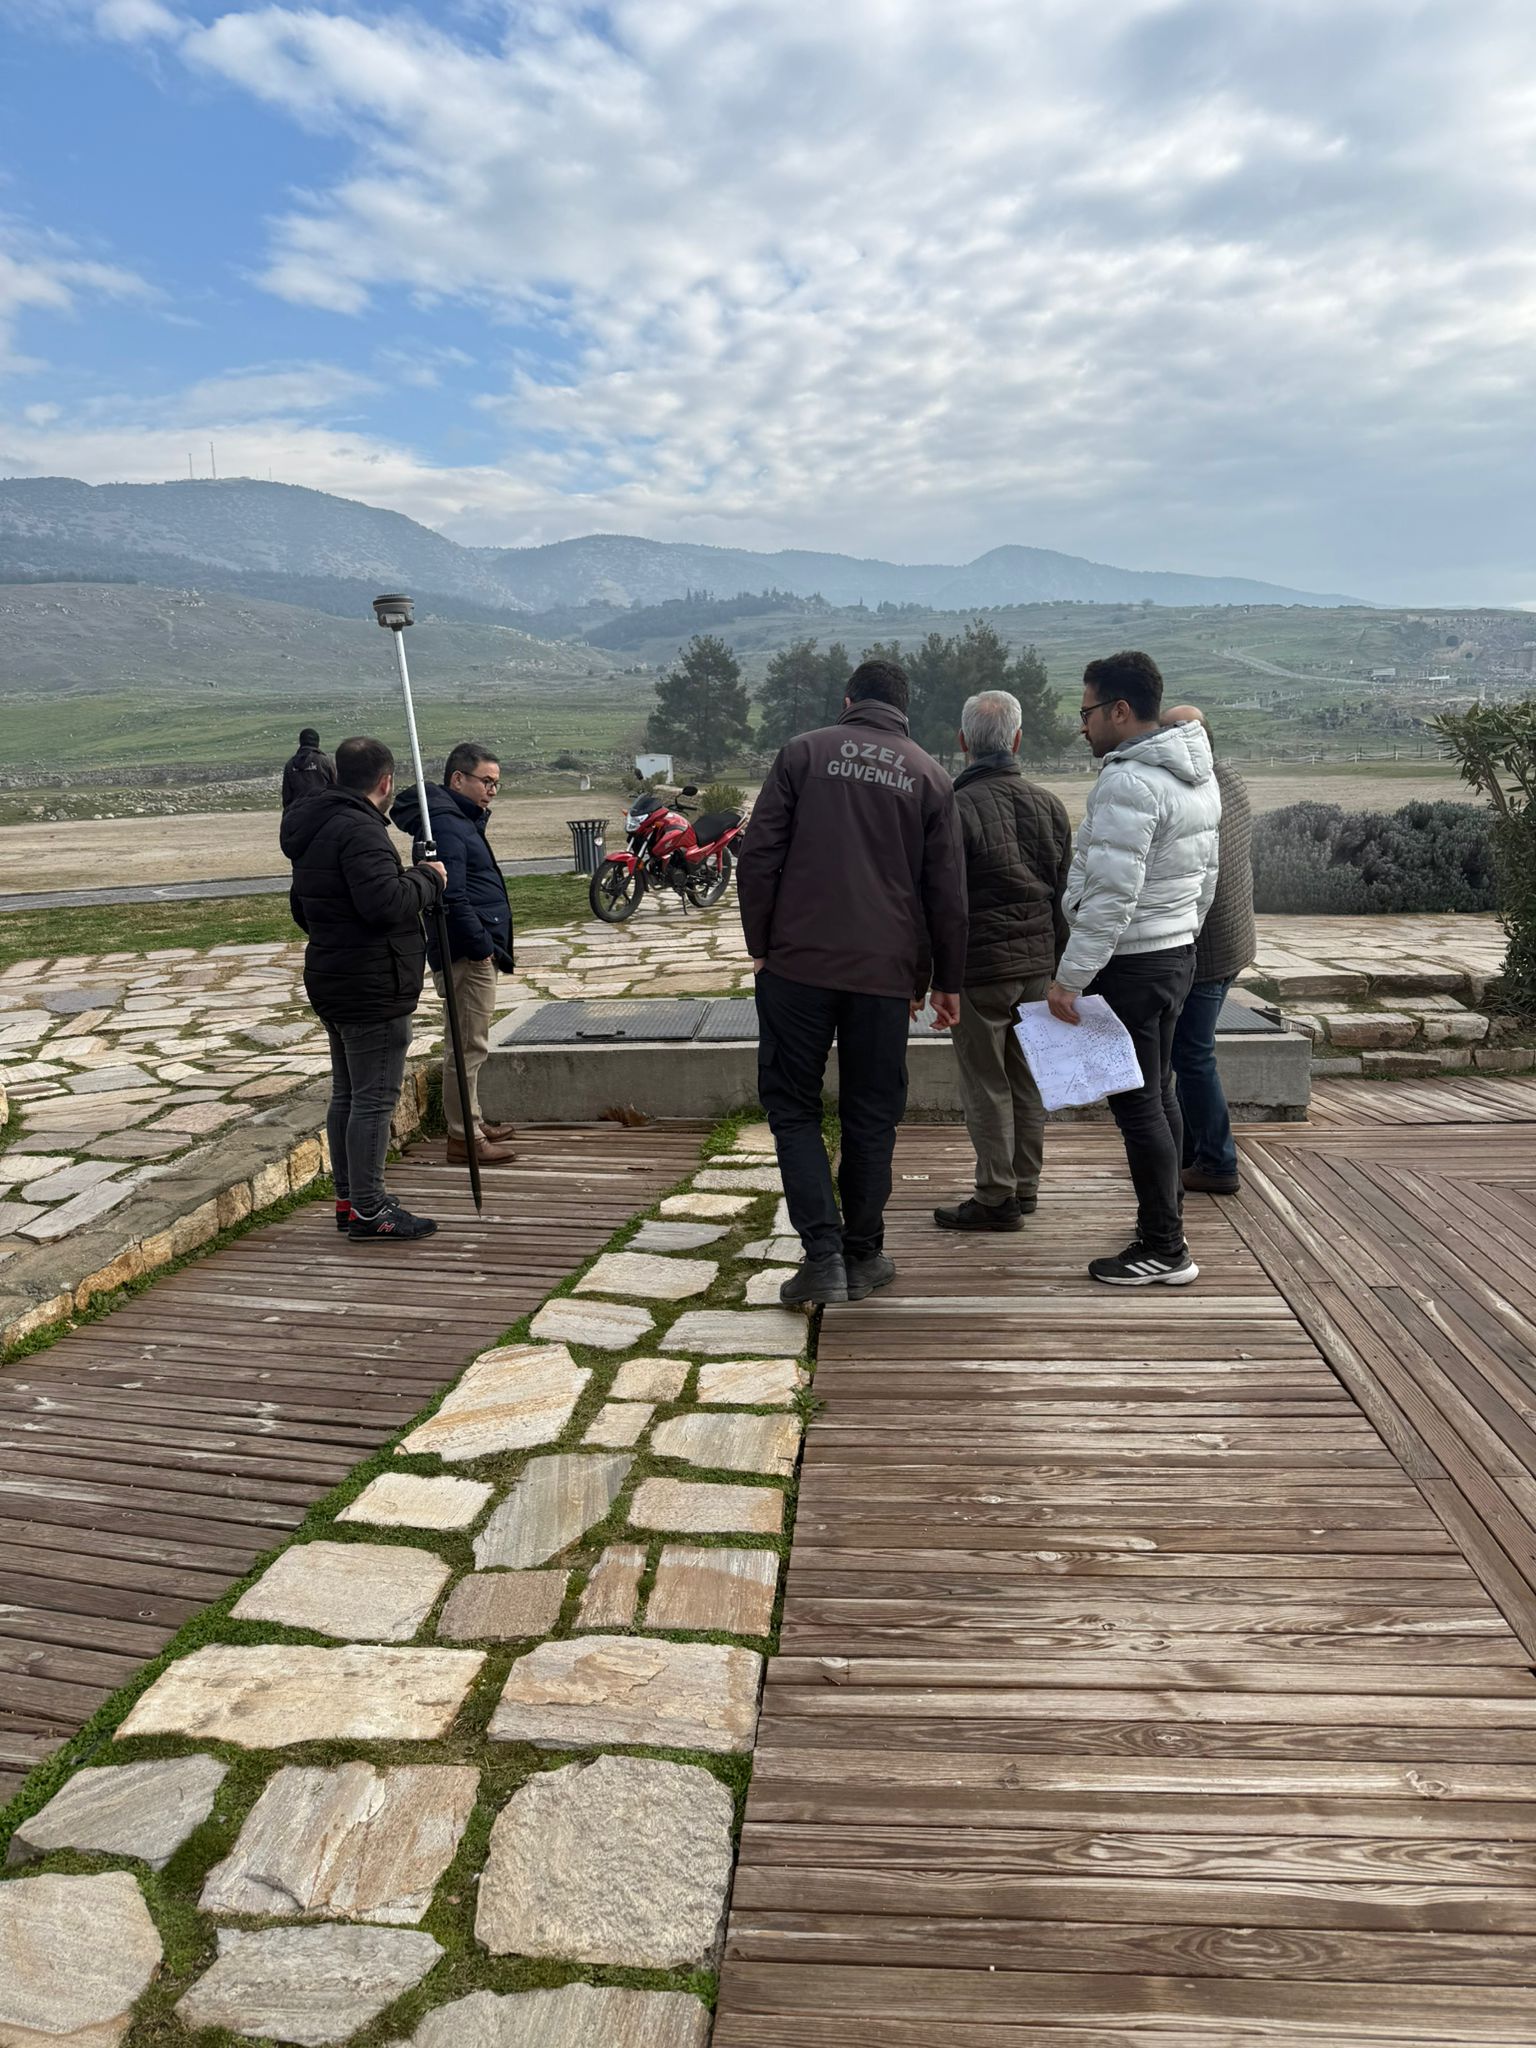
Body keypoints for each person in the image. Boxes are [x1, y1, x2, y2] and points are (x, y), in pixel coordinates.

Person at [737, 656, 968, 1307]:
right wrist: (945, 979)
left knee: (793, 1107)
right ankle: (864, 1254)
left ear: (848, 700)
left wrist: (761, 945)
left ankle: (822, 1257)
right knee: (872, 1115)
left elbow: (758, 857)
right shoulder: (929, 775)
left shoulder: (803, 754)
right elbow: (945, 893)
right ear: (903, 708)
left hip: (797, 966)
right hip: (885, 978)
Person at [1046, 651, 1220, 1286]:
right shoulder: (1195, 774)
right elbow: (1207, 877)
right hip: (1174, 954)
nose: (1083, 725)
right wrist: (1185, 935)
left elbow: (1111, 896)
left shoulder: (1129, 781)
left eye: (1087, 711)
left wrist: (1070, 979)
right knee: (1160, 1093)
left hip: (1133, 963)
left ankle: (1166, 1249)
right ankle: (1162, 1221)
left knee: (1138, 1104)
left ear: (1121, 710)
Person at [281, 736, 446, 1241]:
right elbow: (382, 902)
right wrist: (426, 878)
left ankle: (350, 1199)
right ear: (386, 782)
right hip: (372, 982)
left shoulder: (317, 827)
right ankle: (371, 1209)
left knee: (348, 1094)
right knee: (374, 1098)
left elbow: (302, 908)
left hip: (333, 974)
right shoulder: (361, 831)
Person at [935, 688, 1072, 1233]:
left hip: (979, 970)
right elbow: (1065, 893)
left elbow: (942, 900)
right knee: (1027, 1079)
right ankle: (1026, 1184)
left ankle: (995, 1196)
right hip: (1039, 964)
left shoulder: (953, 807)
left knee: (985, 1083)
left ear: (963, 742)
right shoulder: (1049, 804)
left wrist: (932, 973)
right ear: (1016, 740)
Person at [390, 742, 518, 1167]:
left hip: (475, 949)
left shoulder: (457, 819)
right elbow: (451, 895)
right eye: (486, 781)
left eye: (497, 784)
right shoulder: (445, 825)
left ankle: (473, 1122)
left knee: (470, 1044)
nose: (492, 791)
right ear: (458, 779)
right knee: (466, 1046)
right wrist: (482, 948)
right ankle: (464, 1137)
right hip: (467, 952)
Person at [1163, 704, 1254, 1196]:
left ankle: (1218, 1163)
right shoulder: (1230, 778)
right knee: (1191, 1053)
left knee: (1192, 1055)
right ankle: (1191, 1154)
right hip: (1234, 941)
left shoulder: (1199, 792)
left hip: (1207, 948)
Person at [281, 727, 335, 809]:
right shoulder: (325, 761)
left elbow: (286, 797)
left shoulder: (290, 764)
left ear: (301, 742)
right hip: (323, 810)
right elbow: (337, 788)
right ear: (317, 743)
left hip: (298, 812)